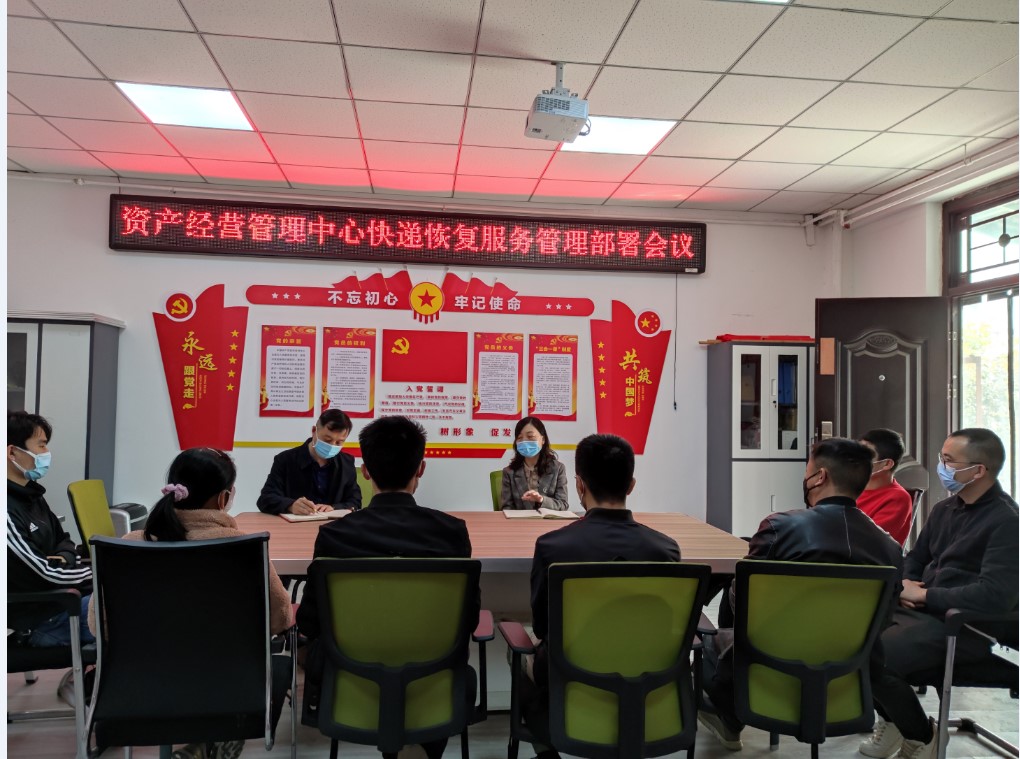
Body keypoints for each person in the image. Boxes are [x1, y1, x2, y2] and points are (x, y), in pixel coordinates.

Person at [699, 438, 903, 752]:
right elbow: (884, 619)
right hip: (844, 675)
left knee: (711, 634)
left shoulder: (779, 527)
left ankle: (729, 716)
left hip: (768, 668)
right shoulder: (889, 548)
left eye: (807, 470)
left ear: (820, 477)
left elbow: (745, 602)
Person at [87, 447, 292, 759]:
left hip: (138, 689)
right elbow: (279, 619)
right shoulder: (244, 549)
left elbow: (97, 624)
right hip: (230, 686)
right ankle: (215, 741)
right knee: (280, 663)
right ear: (224, 498)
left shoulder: (129, 545)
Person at [296, 415, 476, 759]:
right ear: (421, 469)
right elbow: (467, 620)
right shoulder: (451, 532)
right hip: (431, 677)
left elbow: (309, 621)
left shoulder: (335, 535)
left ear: (365, 472)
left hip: (352, 679)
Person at [860, 428, 1018, 759]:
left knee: (877, 657)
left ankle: (921, 736)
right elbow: (915, 558)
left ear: (978, 470)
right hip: (922, 614)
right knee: (849, 641)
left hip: (967, 627)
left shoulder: (1006, 520)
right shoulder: (945, 509)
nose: (941, 467)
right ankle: (896, 721)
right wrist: (905, 585)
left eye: (948, 461)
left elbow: (995, 595)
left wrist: (926, 597)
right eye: (940, 458)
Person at [524, 433, 680, 759]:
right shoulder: (665, 550)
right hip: (644, 685)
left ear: (580, 485)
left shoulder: (553, 547)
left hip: (573, 681)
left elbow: (541, 627)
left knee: (524, 656)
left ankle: (547, 744)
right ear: (631, 485)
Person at [8, 410, 95, 704]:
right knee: (127, 609)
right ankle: (96, 690)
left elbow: (64, 540)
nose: (46, 454)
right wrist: (100, 573)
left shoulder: (31, 494)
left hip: (58, 600)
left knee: (126, 598)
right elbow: (44, 573)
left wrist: (64, 557)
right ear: (12, 452)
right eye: (41, 445)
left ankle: (96, 684)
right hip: (39, 619)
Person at [256, 409, 361, 516]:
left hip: (333, 524)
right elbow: (265, 499)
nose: (332, 446)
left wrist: (334, 507)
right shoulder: (285, 460)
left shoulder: (346, 463)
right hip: (296, 524)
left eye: (339, 442)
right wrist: (290, 505)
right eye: (327, 440)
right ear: (314, 431)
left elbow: (355, 501)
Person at [857, 428, 914, 545]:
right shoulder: (847, 487)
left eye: (866, 454)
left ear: (886, 464)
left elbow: (868, 541)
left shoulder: (898, 498)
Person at [500, 416, 569, 511]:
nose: (524, 441)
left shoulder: (557, 468)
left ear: (543, 439)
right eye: (520, 438)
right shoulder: (509, 472)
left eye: (530, 437)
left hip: (549, 520)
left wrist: (542, 500)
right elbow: (506, 508)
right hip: (520, 520)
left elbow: (563, 505)